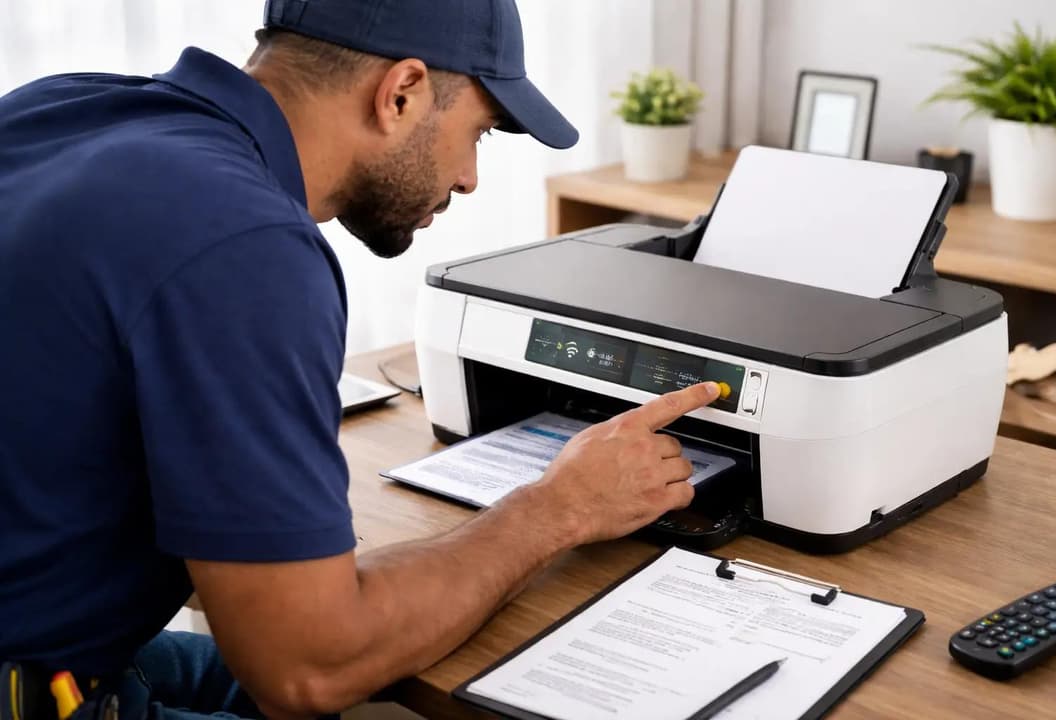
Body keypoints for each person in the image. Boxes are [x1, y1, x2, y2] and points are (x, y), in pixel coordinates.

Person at [0, 1, 720, 718]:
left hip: (64, 641)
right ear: (400, 93)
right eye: (481, 133)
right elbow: (306, 668)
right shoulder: (243, 242)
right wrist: (556, 510)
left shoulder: (62, 107)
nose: (470, 177)